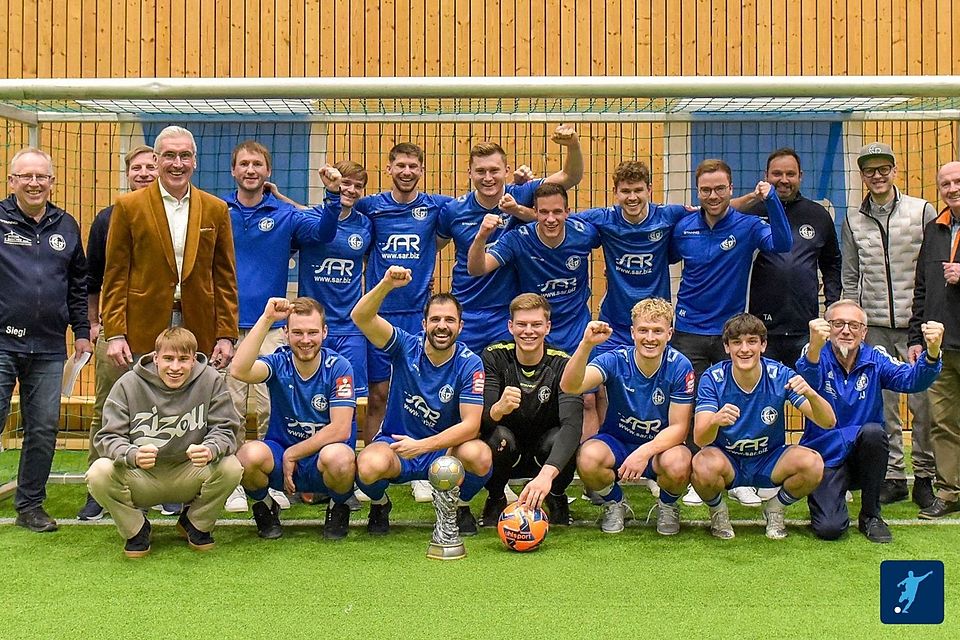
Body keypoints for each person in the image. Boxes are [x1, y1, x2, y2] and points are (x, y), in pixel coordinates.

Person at [221, 141, 338, 513]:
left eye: (257, 164)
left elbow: (322, 233)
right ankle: (236, 481)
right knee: (230, 408)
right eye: (244, 164)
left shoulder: (285, 214)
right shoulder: (217, 211)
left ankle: (278, 481)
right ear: (234, 171)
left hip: (271, 328)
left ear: (268, 172)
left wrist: (332, 195)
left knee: (274, 408)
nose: (251, 170)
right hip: (225, 326)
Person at [669, 158, 792, 508]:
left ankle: (739, 478)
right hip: (688, 331)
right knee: (693, 407)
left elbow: (782, 243)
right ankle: (697, 474)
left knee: (736, 403)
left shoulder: (749, 225)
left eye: (719, 189)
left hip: (730, 335)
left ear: (730, 189)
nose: (712, 195)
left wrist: (771, 201)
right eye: (706, 189)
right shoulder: (684, 228)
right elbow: (666, 257)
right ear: (698, 191)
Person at [351, 266, 492, 536]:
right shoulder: (405, 346)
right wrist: (386, 285)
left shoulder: (470, 363)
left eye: (450, 320)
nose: (442, 326)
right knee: (368, 465)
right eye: (436, 319)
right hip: (398, 444)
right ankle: (380, 505)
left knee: (480, 455)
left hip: (443, 451)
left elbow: (471, 426)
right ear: (424, 323)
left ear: (460, 326)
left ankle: (459, 506)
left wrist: (423, 446)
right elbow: (360, 316)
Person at [86, 327, 243, 557]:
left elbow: (226, 429)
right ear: (155, 358)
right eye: (168, 359)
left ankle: (195, 523)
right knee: (98, 472)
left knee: (231, 466)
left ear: (194, 360)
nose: (175, 367)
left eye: (183, 360)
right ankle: (136, 529)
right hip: (141, 475)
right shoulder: (128, 384)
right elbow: (108, 437)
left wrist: (210, 449)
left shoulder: (211, 380)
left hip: (190, 472)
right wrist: (131, 454)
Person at [0, 147, 93, 533]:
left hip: (50, 348)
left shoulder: (66, 225)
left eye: (42, 177)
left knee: (43, 428)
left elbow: (78, 285)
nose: (35, 183)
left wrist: (83, 333)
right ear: (12, 181)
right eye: (26, 176)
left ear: (52, 182)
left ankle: (31, 506)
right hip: (2, 344)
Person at [841, 142, 938, 507]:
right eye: (870, 171)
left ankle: (924, 476)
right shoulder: (853, 220)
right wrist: (851, 322)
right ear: (862, 176)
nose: (877, 176)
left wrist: (929, 320)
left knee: (922, 404)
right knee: (883, 408)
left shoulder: (922, 210)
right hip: (876, 326)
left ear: (895, 171)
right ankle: (894, 475)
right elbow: (851, 278)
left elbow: (935, 263)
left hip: (917, 326)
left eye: (884, 169)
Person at [797, 301, 942, 542]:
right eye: (838, 324)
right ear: (827, 328)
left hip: (864, 456)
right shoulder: (814, 354)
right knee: (829, 529)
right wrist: (814, 345)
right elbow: (806, 382)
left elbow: (911, 381)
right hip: (826, 458)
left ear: (864, 332)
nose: (846, 330)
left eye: (854, 325)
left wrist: (933, 352)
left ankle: (871, 515)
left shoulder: (875, 358)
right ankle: (831, 498)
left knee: (874, 433)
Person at [102, 125, 239, 368]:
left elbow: (225, 278)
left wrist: (226, 335)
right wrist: (115, 333)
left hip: (199, 327)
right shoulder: (128, 206)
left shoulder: (215, 209)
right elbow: (116, 275)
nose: (178, 163)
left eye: (185, 156)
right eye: (169, 155)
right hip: (143, 328)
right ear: (156, 160)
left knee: (195, 404)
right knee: (145, 403)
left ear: (194, 161)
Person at [438, 127, 584, 352]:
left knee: (506, 381)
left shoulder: (522, 193)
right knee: (464, 379)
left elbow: (569, 177)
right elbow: (433, 248)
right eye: (481, 171)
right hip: (466, 307)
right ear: (469, 173)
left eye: (494, 170)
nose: (488, 178)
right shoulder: (453, 210)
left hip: (506, 312)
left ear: (506, 170)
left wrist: (573, 144)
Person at [691, 313, 836, 540]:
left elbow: (828, 422)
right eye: (737, 342)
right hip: (729, 461)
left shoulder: (780, 375)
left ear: (763, 345)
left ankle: (775, 508)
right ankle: (718, 511)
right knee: (702, 464)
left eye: (752, 341)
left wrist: (810, 393)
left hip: (769, 460)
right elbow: (700, 439)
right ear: (727, 348)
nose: (744, 349)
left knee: (813, 464)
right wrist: (715, 420)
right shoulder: (713, 378)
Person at [352, 143, 452, 469]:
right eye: (401, 166)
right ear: (389, 169)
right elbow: (328, 214)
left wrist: (520, 188)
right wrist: (279, 197)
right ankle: (373, 462)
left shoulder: (436, 207)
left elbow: (478, 204)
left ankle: (425, 464)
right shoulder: (370, 206)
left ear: (422, 170)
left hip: (417, 317)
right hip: (379, 317)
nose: (407, 171)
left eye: (413, 166)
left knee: (421, 395)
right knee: (378, 394)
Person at [561, 299, 694, 536]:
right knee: (588, 457)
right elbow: (570, 386)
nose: (650, 338)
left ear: (670, 333)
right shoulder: (615, 359)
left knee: (680, 461)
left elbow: (679, 429)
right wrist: (586, 345)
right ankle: (615, 503)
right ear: (632, 332)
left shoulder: (680, 366)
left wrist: (643, 453)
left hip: (659, 448)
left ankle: (667, 504)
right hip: (618, 442)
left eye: (657, 331)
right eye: (643, 330)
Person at [230, 297, 357, 539]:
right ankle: (265, 505)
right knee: (247, 456)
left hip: (322, 459)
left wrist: (294, 453)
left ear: (325, 332)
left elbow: (341, 429)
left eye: (312, 332)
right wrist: (266, 319)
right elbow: (239, 370)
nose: (306, 340)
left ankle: (338, 507)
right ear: (286, 333)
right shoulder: (279, 362)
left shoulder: (339, 367)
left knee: (339, 458)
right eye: (297, 332)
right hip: (281, 454)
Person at [77, 144, 158, 521]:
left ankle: (161, 485)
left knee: (163, 407)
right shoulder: (107, 219)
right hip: (116, 328)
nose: (144, 173)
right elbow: (93, 278)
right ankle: (99, 486)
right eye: (137, 167)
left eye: (150, 167)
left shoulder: (177, 216)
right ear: (127, 174)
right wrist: (95, 323)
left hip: (163, 331)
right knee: (107, 405)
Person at [477, 293, 583, 528]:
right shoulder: (494, 357)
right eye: (522, 324)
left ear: (548, 327)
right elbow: (479, 424)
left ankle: (556, 496)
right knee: (497, 436)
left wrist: (546, 475)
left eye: (536, 325)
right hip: (509, 452)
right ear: (510, 326)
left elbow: (573, 427)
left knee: (561, 437)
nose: (528, 331)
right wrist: (497, 409)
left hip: (545, 456)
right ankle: (496, 497)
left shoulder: (563, 363)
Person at [731, 147, 842, 364]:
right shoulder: (750, 213)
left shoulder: (818, 215)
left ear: (800, 177)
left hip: (804, 328)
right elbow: (721, 212)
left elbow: (832, 265)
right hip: (760, 330)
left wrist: (832, 307)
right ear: (766, 177)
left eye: (790, 174)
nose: (783, 180)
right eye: (777, 174)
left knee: (804, 393)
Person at [575, 161, 694, 354]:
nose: (632, 197)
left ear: (649, 190)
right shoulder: (604, 219)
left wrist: (754, 200)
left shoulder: (669, 216)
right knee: (604, 380)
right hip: (614, 324)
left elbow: (711, 211)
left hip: (654, 326)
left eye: (638, 190)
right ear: (615, 192)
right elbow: (557, 220)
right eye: (625, 191)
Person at [298, 161, 373, 443]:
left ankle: (345, 465)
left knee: (349, 401)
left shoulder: (365, 225)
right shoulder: (308, 219)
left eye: (358, 186)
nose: (351, 190)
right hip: (313, 328)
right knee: (309, 396)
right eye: (346, 183)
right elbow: (322, 229)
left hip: (351, 327)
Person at [908, 160, 960, 519]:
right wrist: (916, 335)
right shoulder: (935, 228)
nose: (952, 188)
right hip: (942, 345)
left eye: (958, 181)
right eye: (945, 183)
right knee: (943, 422)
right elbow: (923, 288)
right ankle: (949, 490)